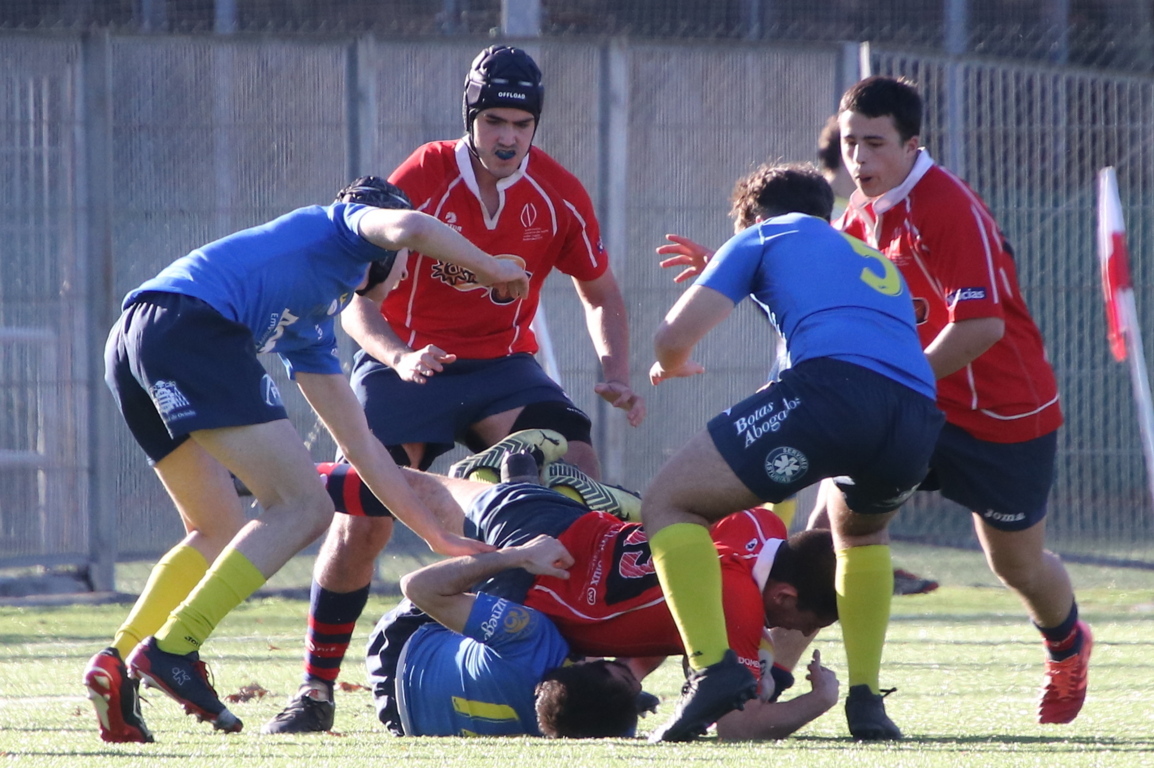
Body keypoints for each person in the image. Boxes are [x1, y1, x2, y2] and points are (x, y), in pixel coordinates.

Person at [264, 43, 645, 734]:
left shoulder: (559, 192)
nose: (506, 136)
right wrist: (399, 357)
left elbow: (601, 293)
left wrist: (615, 370)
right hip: (408, 362)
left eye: (520, 124)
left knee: (577, 479)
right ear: (471, 119)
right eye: (494, 120)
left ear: (535, 126)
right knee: (366, 518)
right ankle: (316, 692)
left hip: (502, 367)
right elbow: (359, 302)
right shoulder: (426, 176)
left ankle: (580, 675)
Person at [81, 177, 528, 744]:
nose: (406, 267)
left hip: (137, 336)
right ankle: (174, 647)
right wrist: (491, 268)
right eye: (404, 260)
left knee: (215, 528)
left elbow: (363, 447)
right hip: (190, 326)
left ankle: (117, 663)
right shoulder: (347, 228)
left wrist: (436, 536)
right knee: (303, 507)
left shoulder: (313, 321)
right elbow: (412, 227)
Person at [640, 162, 944, 742]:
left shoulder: (762, 235)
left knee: (671, 503)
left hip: (833, 394)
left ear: (751, 216)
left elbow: (671, 337)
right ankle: (867, 702)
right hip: (916, 413)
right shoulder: (869, 259)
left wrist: (671, 365)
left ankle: (713, 673)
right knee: (861, 537)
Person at [822, 75, 1091, 727]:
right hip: (913, 407)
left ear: (914, 145)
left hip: (1001, 413)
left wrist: (894, 380)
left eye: (876, 144)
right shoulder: (856, 214)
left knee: (1017, 564)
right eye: (851, 143)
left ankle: (1068, 645)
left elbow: (981, 327)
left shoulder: (948, 206)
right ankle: (782, 678)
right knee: (842, 525)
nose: (860, 159)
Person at [447, 442, 842, 740]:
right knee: (419, 489)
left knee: (463, 499)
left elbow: (667, 617)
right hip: (527, 590)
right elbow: (738, 728)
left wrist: (762, 663)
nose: (805, 634)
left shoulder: (759, 524)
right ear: (785, 596)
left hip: (564, 526)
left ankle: (522, 482)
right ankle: (493, 480)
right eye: (810, 623)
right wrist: (819, 700)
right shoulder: (735, 603)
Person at [364, 532, 641, 738]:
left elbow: (416, 586)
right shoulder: (595, 729)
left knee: (521, 579)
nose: (639, 685)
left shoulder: (531, 639)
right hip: (404, 722)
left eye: (619, 669)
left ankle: (507, 490)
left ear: (582, 667)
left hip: (401, 645)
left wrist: (519, 554)